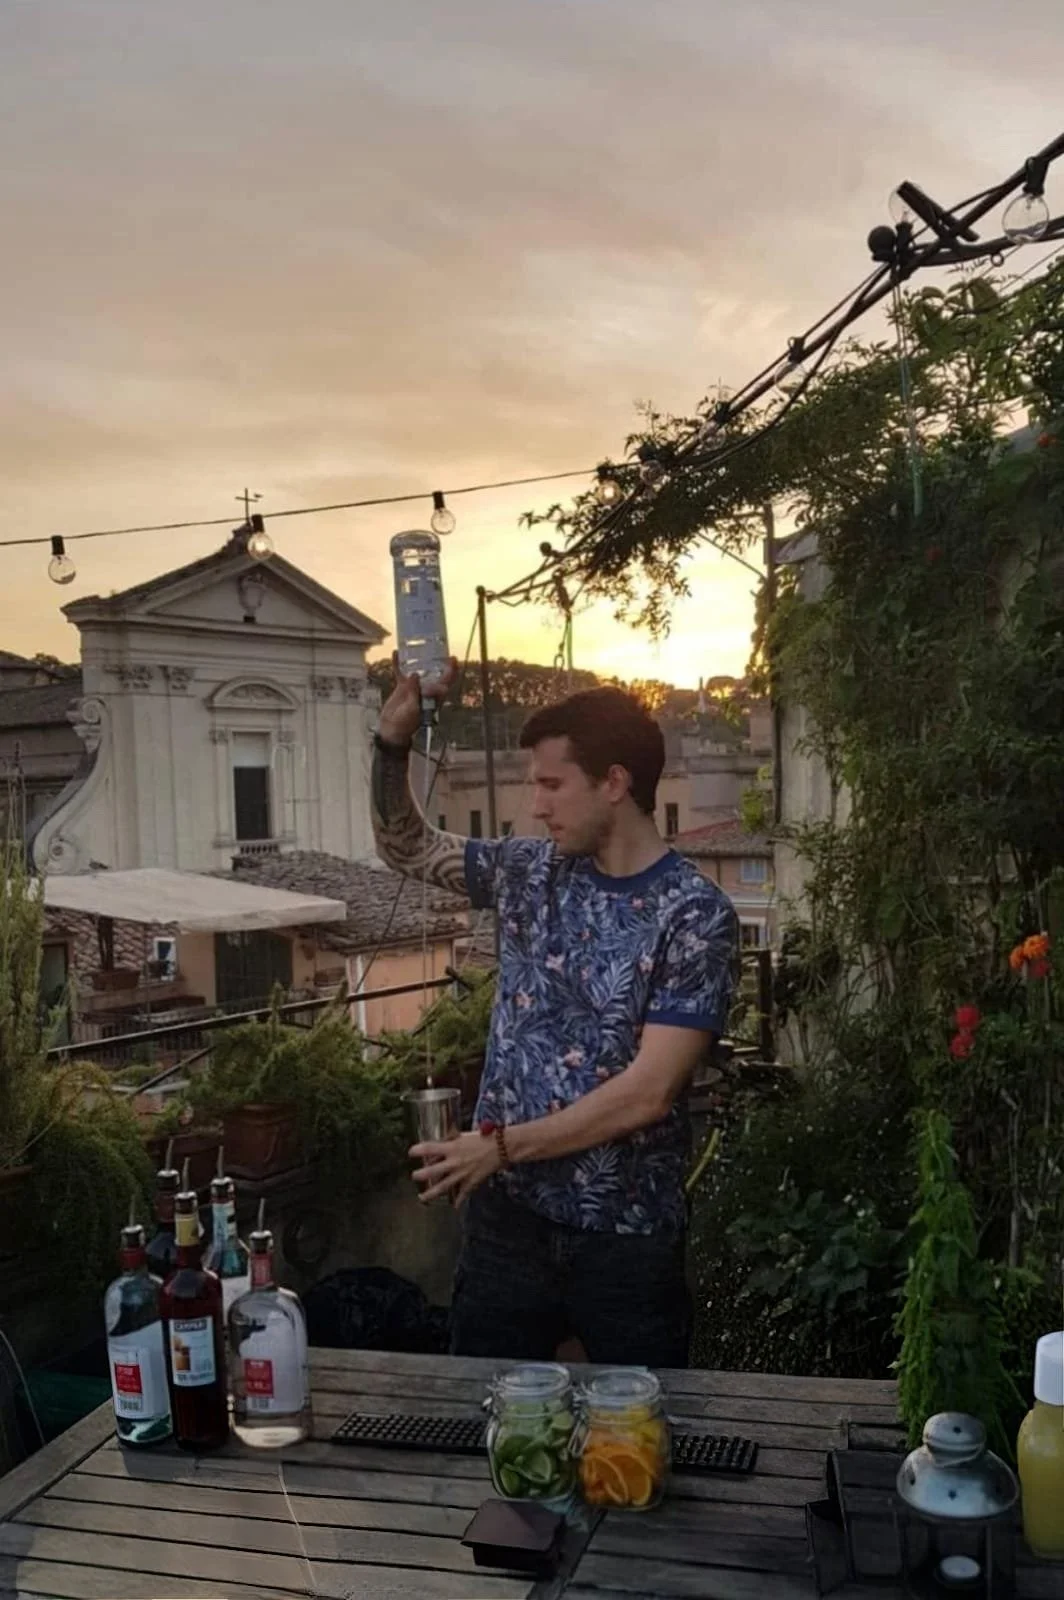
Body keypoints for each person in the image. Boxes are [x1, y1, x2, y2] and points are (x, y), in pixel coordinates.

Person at [371, 659, 737, 1367]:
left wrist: (499, 1148)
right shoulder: (528, 871)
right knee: (485, 1411)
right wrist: (391, 745)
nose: (536, 806)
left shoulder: (694, 915)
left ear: (614, 783)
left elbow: (649, 1093)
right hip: (507, 1227)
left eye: (550, 784)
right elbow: (407, 849)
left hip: (625, 1236)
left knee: (635, 1423)